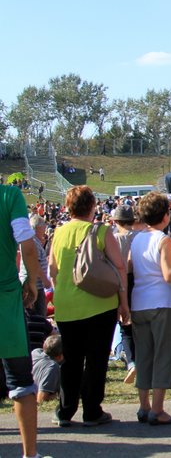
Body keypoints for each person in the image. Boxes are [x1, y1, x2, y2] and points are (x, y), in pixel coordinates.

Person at [49, 185, 129, 428]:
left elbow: (53, 270)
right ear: (93, 205)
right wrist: (123, 302)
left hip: (66, 305)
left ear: (68, 207)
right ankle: (92, 410)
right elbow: (119, 268)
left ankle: (65, 409)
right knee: (96, 359)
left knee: (70, 359)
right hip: (99, 304)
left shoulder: (59, 232)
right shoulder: (101, 231)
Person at [2, 181, 50, 458]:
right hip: (6, 298)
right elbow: (27, 244)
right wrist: (32, 281)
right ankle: (29, 454)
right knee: (20, 381)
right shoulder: (9, 195)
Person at [130, 192, 171, 425]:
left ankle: (144, 405)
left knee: (144, 355)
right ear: (165, 215)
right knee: (164, 354)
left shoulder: (136, 239)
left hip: (139, 301)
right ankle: (158, 408)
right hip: (162, 302)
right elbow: (170, 275)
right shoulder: (163, 240)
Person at [111, 203, 140, 384]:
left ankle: (131, 362)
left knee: (125, 327)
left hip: (121, 283)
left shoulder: (114, 239)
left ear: (116, 221)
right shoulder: (140, 237)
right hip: (140, 283)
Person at [19, 214, 52, 318]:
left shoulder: (34, 241)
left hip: (35, 285)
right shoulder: (32, 242)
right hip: (34, 286)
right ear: (38, 227)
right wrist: (45, 280)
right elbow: (35, 264)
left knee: (36, 314)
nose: (45, 229)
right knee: (38, 315)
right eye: (44, 227)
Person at [32, 334, 63, 404]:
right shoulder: (52, 367)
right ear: (59, 356)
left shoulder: (36, 352)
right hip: (33, 395)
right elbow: (40, 399)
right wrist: (58, 395)